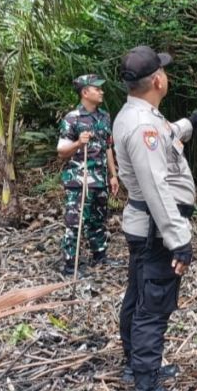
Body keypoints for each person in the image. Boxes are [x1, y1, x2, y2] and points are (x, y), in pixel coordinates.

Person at [112, 45, 197, 391]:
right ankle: (146, 386)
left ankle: (135, 365)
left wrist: (192, 121)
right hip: (156, 229)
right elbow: (156, 188)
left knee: (139, 295)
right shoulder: (143, 127)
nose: (166, 76)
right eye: (164, 72)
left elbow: (167, 134)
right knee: (153, 305)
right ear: (157, 80)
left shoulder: (136, 115)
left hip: (146, 227)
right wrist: (179, 240)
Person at [57, 74, 120, 276]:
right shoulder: (72, 118)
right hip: (79, 180)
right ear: (85, 92)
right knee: (75, 223)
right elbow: (61, 151)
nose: (101, 92)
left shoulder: (104, 117)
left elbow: (108, 147)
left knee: (98, 220)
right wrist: (78, 143)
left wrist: (113, 175)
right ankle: (70, 265)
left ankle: (99, 256)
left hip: (99, 179)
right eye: (97, 89)